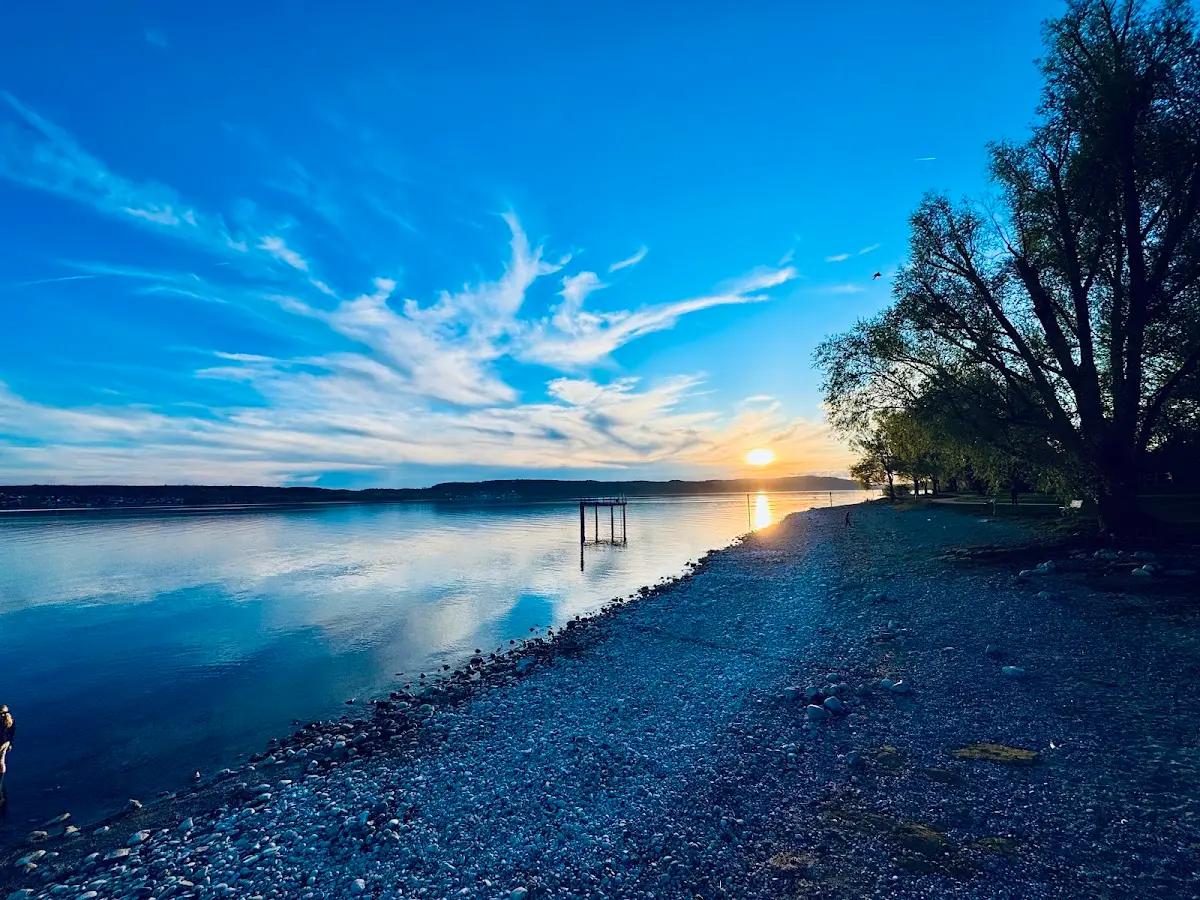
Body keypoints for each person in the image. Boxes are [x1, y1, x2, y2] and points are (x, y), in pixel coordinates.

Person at [0, 704, 13, 813]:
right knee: (1, 762)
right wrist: (10, 744)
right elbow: (12, 733)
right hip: (4, 744)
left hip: (2, 744)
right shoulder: (9, 720)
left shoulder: (4, 722)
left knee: (1, 763)